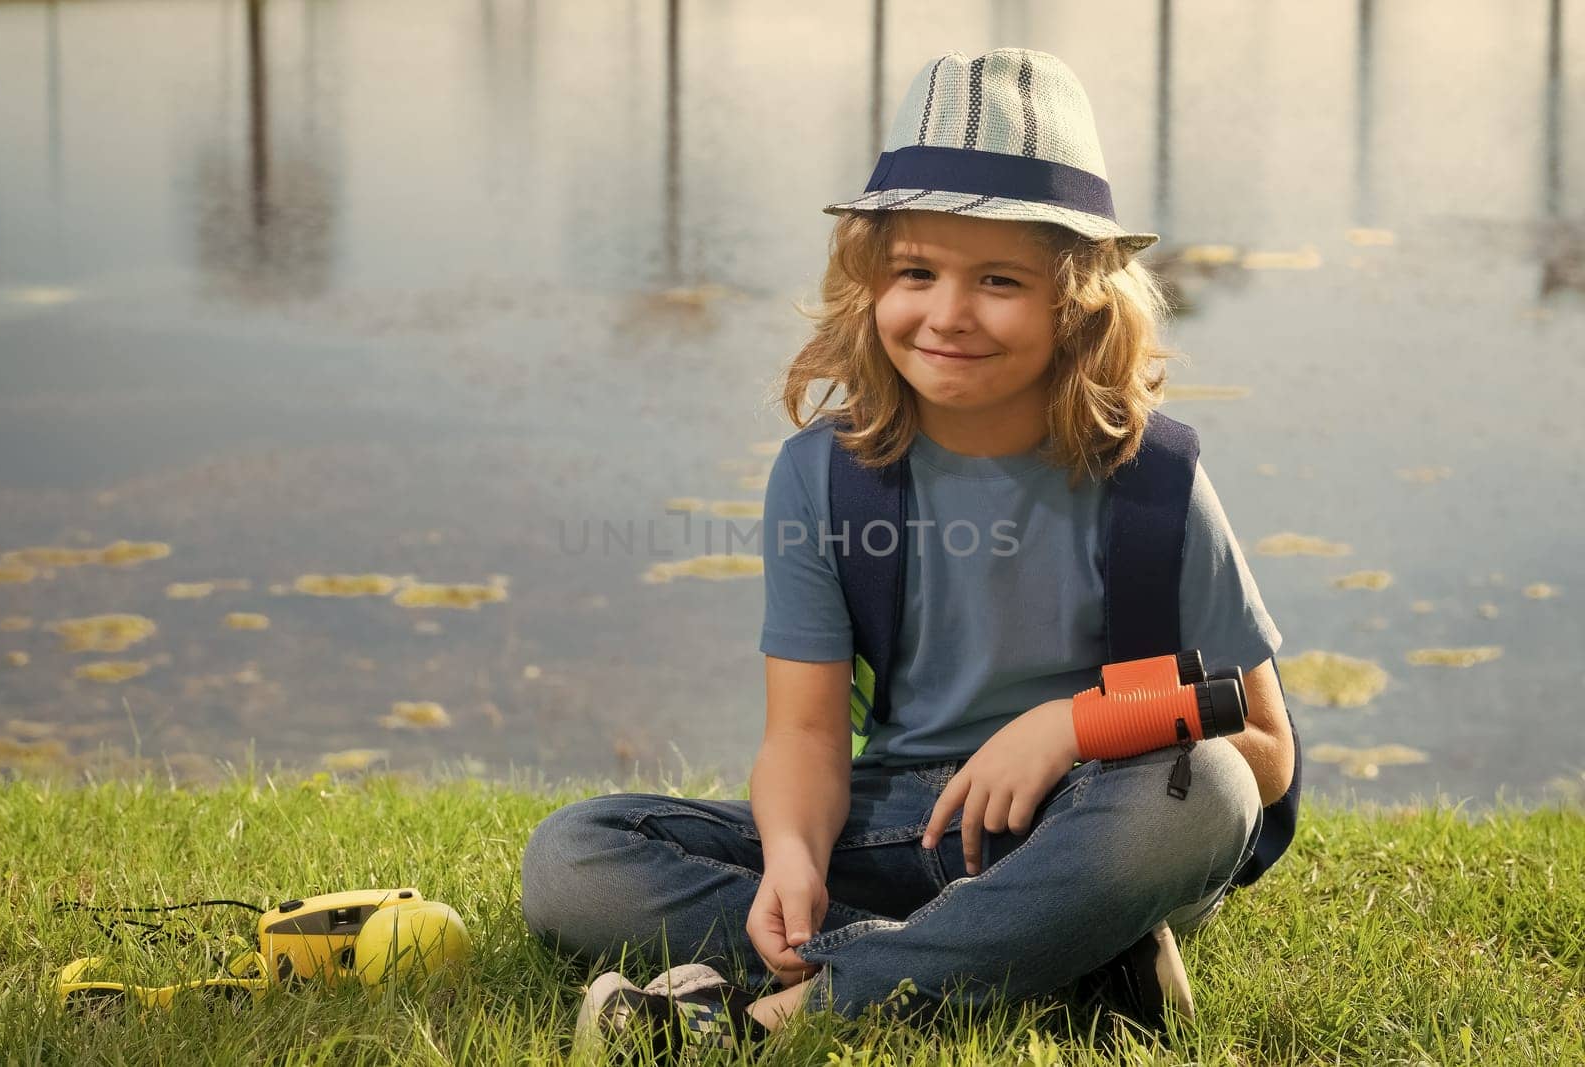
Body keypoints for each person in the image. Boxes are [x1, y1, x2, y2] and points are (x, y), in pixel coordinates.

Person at [521, 48, 1295, 1060]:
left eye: (1000, 280)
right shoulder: (822, 476)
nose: (946, 314)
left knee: (1208, 788)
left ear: (1077, 298)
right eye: (915, 272)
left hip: (1095, 824)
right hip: (900, 829)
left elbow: (1266, 755)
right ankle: (1052, 962)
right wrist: (794, 855)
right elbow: (803, 734)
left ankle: (799, 1004)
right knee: (575, 857)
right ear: (868, 280)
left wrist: (1072, 726)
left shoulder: (1155, 481)